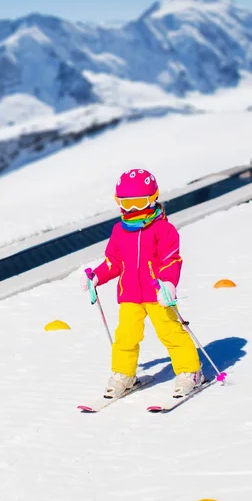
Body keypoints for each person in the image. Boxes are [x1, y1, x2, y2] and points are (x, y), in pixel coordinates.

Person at [81, 168, 203, 398]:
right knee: (126, 336)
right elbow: (114, 261)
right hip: (129, 294)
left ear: (153, 198)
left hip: (157, 293)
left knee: (171, 333)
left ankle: (190, 372)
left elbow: (171, 259)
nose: (133, 209)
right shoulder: (119, 230)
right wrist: (97, 275)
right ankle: (123, 374)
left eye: (139, 202)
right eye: (126, 203)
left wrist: (168, 283)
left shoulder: (163, 229)